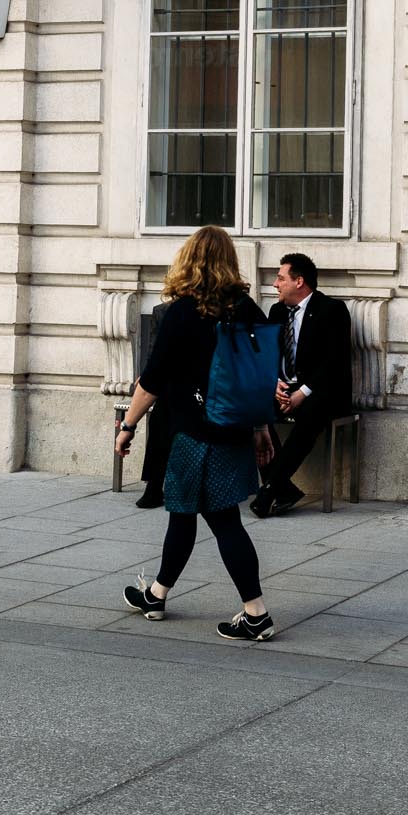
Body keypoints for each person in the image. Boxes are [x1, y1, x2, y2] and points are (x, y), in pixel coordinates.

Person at [115, 226, 280, 643]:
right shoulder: (246, 309)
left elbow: (151, 381)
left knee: (223, 522)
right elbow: (258, 377)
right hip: (234, 428)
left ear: (188, 260)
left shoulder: (183, 313)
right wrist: (261, 427)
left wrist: (127, 426)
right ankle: (156, 595)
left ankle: (256, 614)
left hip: (194, 434)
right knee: (183, 513)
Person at [251, 253, 352, 519]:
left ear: (299, 281)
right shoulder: (277, 311)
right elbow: (267, 355)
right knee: (252, 406)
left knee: (312, 411)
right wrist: (274, 384)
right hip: (285, 388)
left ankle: (270, 488)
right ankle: (284, 489)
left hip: (322, 391)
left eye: (280, 278)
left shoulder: (332, 310)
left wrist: (302, 393)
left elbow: (334, 362)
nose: (275, 284)